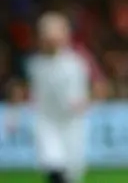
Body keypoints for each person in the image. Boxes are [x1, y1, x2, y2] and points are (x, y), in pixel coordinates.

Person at [25, 12, 91, 183]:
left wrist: (80, 103)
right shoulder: (35, 64)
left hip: (72, 124)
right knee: (53, 163)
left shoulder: (75, 63)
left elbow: (83, 93)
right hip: (46, 121)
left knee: (71, 172)